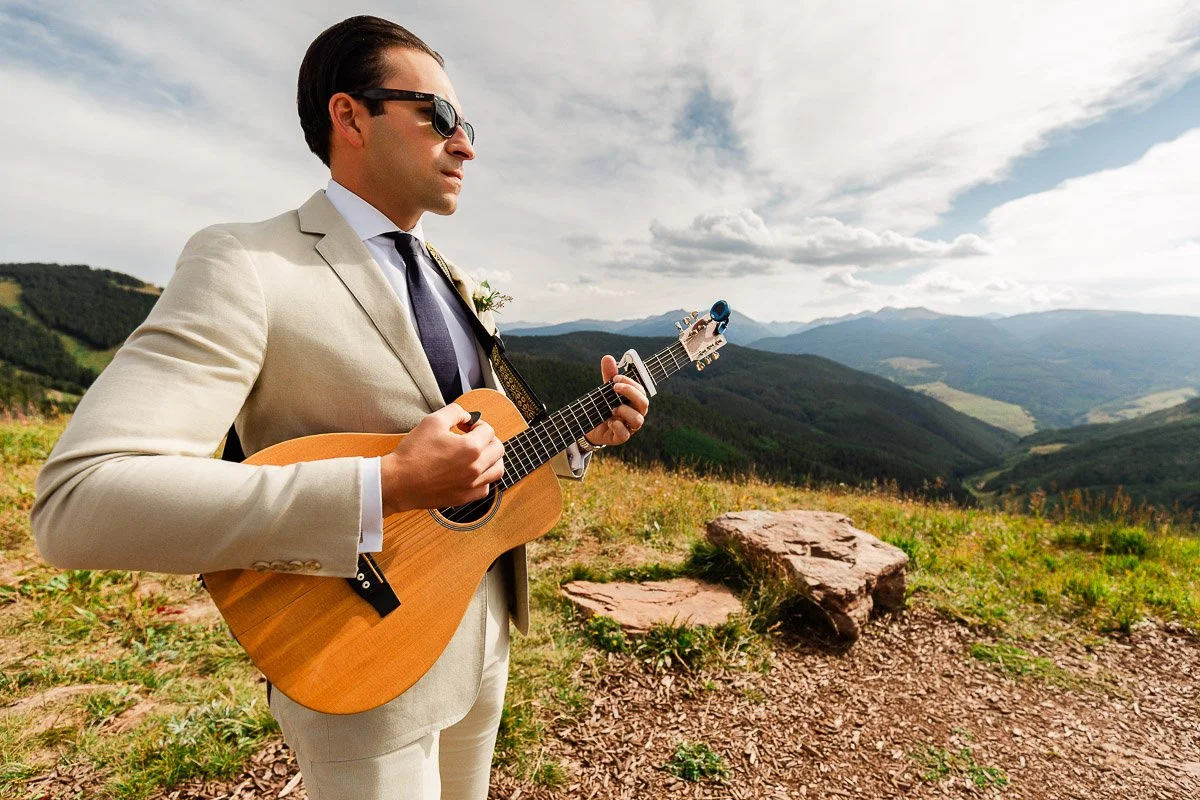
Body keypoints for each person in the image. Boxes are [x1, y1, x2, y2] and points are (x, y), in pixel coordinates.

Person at [31, 14, 649, 799]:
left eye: (469, 127)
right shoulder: (244, 263)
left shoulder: (450, 277)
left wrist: (577, 439)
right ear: (349, 117)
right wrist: (385, 483)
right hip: (360, 657)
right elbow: (77, 502)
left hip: (485, 628)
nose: (465, 146)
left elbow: (476, 446)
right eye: (440, 116)